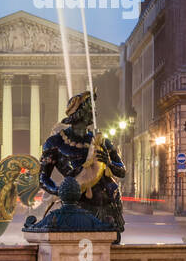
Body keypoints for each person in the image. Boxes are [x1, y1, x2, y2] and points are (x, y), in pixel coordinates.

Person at [38, 91, 127, 236]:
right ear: (78, 113)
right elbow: (43, 178)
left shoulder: (101, 142)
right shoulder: (55, 143)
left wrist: (109, 164)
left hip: (109, 206)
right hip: (77, 206)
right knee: (78, 244)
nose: (94, 111)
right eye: (89, 108)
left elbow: (122, 171)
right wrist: (61, 192)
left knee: (108, 249)